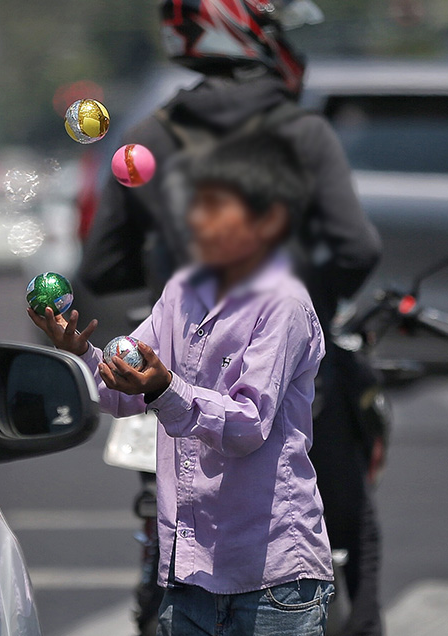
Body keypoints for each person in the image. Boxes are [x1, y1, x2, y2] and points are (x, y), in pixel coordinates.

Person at [79, 2, 383, 634]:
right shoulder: (301, 135)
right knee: (352, 528)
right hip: (216, 376)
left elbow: (103, 265)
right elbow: (357, 248)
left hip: (171, 366)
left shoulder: (153, 134)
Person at [36, 132, 333, 635]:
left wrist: (164, 388)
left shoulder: (281, 303)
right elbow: (124, 386)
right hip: (191, 575)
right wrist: (83, 353)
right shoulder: (182, 292)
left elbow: (247, 425)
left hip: (272, 581)